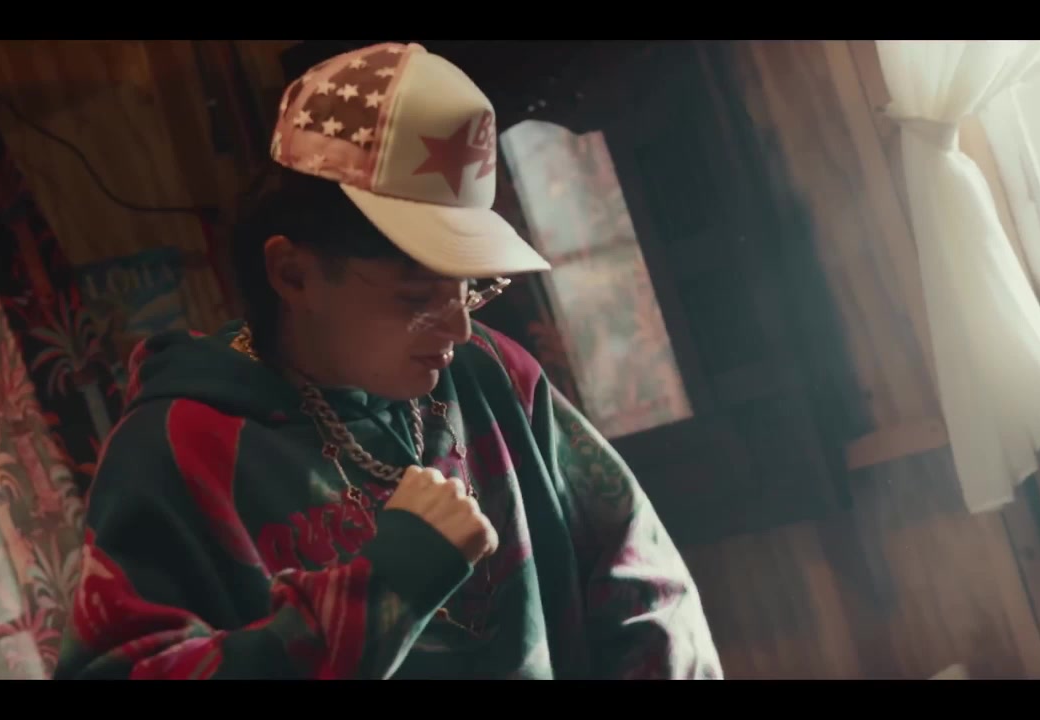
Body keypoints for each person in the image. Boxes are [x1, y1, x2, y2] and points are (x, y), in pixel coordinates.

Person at [52, 41, 723, 680]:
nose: (460, 326)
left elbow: (646, 589)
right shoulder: (178, 446)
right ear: (294, 275)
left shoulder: (491, 373)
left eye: (472, 289)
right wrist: (388, 586)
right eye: (417, 295)